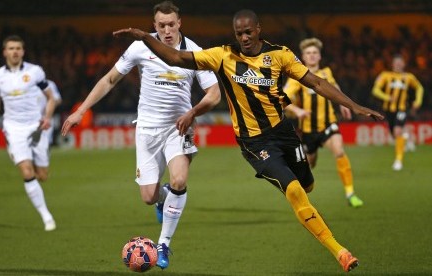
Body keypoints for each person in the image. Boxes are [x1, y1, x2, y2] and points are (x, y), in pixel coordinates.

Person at [113, 9, 384, 272]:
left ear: (258, 30)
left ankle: (311, 205)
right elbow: (175, 57)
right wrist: (145, 37)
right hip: (255, 144)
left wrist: (356, 106)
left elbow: (317, 83)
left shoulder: (280, 55)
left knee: (307, 185)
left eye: (248, 32)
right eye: (238, 33)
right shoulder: (222, 56)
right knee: (293, 191)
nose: (243, 38)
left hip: (284, 134)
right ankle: (340, 251)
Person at [61, 1, 220, 270]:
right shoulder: (139, 48)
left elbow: (214, 94)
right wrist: (80, 110)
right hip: (146, 129)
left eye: (172, 24)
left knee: (179, 179)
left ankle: (163, 245)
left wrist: (192, 112)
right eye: (161, 25)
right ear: (154, 26)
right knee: (149, 197)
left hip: (178, 128)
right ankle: (164, 196)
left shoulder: (194, 52)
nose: (167, 30)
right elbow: (110, 80)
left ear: (179, 23)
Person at [0, 35, 57, 231]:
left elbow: (50, 98)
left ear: (23, 51)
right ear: (4, 52)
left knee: (42, 175)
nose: (15, 51)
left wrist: (47, 117)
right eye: (11, 48)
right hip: (13, 128)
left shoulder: (35, 71)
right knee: (27, 171)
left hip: (36, 126)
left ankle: (29, 157)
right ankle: (46, 217)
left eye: (18, 48)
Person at [283, 38, 363, 208]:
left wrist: (344, 104)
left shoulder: (326, 72)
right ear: (303, 57)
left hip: (328, 124)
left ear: (319, 56)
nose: (312, 56)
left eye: (315, 53)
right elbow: (283, 99)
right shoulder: (296, 77)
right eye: (308, 53)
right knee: (310, 164)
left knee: (339, 151)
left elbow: (335, 87)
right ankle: (300, 197)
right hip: (308, 131)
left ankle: (350, 193)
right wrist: (298, 111)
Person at [372, 54, 424, 171]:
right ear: (393, 64)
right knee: (395, 135)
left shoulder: (409, 77)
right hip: (388, 110)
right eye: (396, 63)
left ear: (404, 64)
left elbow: (419, 88)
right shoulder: (385, 75)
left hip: (402, 109)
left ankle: (398, 161)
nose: (398, 65)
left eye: (400, 62)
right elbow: (375, 90)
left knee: (397, 130)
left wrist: (418, 101)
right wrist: (387, 97)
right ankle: (406, 138)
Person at [38, 79, 62, 145]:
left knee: (45, 144)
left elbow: (58, 100)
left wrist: (49, 107)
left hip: (46, 118)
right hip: (30, 119)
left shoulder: (49, 84)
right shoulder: (25, 84)